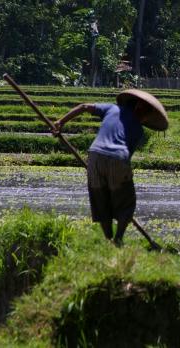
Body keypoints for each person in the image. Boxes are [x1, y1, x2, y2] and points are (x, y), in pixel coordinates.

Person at [53, 90, 168, 246]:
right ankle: (118, 239)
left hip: (94, 155)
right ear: (139, 109)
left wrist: (61, 122)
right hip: (118, 158)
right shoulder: (138, 130)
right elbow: (127, 155)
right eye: (146, 115)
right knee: (126, 203)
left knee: (101, 200)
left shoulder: (111, 109)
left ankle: (108, 240)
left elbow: (84, 106)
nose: (144, 119)